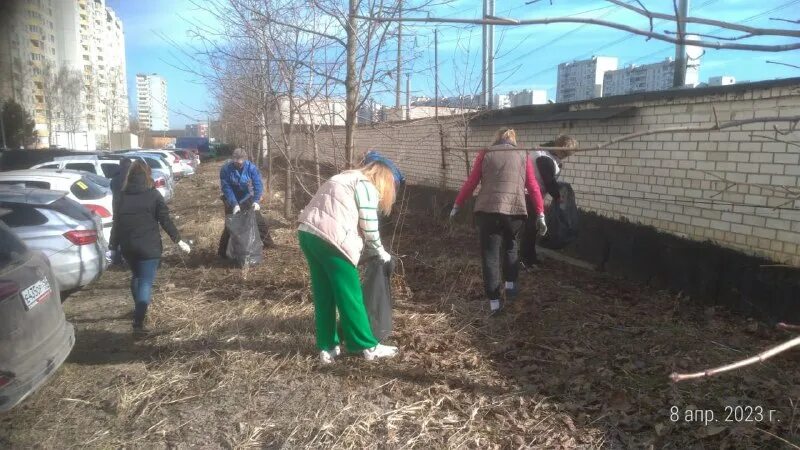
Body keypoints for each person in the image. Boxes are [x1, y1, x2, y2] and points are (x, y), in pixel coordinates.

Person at [297, 160, 399, 364]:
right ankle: (367, 346)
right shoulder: (365, 185)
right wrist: (380, 250)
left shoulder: (343, 177)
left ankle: (328, 347)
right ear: (384, 179)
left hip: (307, 233)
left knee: (324, 293)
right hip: (332, 240)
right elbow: (369, 224)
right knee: (349, 294)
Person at [450, 128, 547, 316]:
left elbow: (471, 182)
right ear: (513, 140)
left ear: (497, 138)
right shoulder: (522, 154)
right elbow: (533, 186)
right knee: (511, 246)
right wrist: (540, 213)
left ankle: (494, 303)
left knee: (490, 255)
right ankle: (510, 286)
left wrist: (457, 204)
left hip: (488, 211)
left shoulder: (486, 152)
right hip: (515, 211)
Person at [109, 160, 191, 333]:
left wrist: (113, 246)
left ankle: (139, 309)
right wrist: (178, 240)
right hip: (149, 248)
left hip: (128, 247)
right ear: (148, 175)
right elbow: (165, 220)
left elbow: (117, 223)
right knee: (145, 282)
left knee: (136, 277)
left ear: (129, 176)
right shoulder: (153, 195)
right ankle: (138, 321)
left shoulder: (121, 196)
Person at [520, 135, 578, 267]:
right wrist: (559, 197)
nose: (565, 157)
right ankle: (525, 259)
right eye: (565, 153)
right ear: (559, 148)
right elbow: (549, 183)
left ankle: (528, 256)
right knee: (531, 228)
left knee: (531, 228)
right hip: (530, 195)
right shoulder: (544, 158)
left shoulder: (546, 150)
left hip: (532, 193)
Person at [218, 148, 274, 257]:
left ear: (245, 160)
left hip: (246, 197)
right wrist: (234, 204)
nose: (238, 164)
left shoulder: (251, 168)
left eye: (241, 162)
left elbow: (258, 185)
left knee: (258, 220)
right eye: (236, 161)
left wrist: (256, 201)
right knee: (231, 224)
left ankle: (269, 244)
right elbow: (226, 188)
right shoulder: (226, 169)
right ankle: (223, 253)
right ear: (232, 160)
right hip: (231, 198)